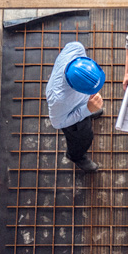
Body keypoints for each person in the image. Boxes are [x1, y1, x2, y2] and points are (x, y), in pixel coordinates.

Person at [46, 42, 106, 172]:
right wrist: (86, 110)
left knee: (89, 113)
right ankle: (76, 156)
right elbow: (58, 123)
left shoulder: (76, 48)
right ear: (76, 89)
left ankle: (90, 112)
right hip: (70, 114)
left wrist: (89, 105)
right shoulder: (59, 100)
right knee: (84, 137)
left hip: (80, 102)